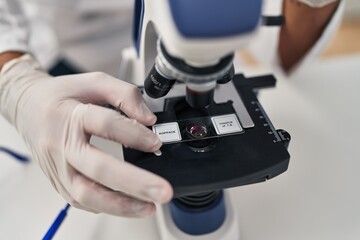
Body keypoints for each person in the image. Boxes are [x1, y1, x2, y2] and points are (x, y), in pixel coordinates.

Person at [0, 0, 343, 218]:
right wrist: (15, 83)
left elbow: (283, 51)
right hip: (68, 55)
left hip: (176, 57)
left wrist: (315, 4)